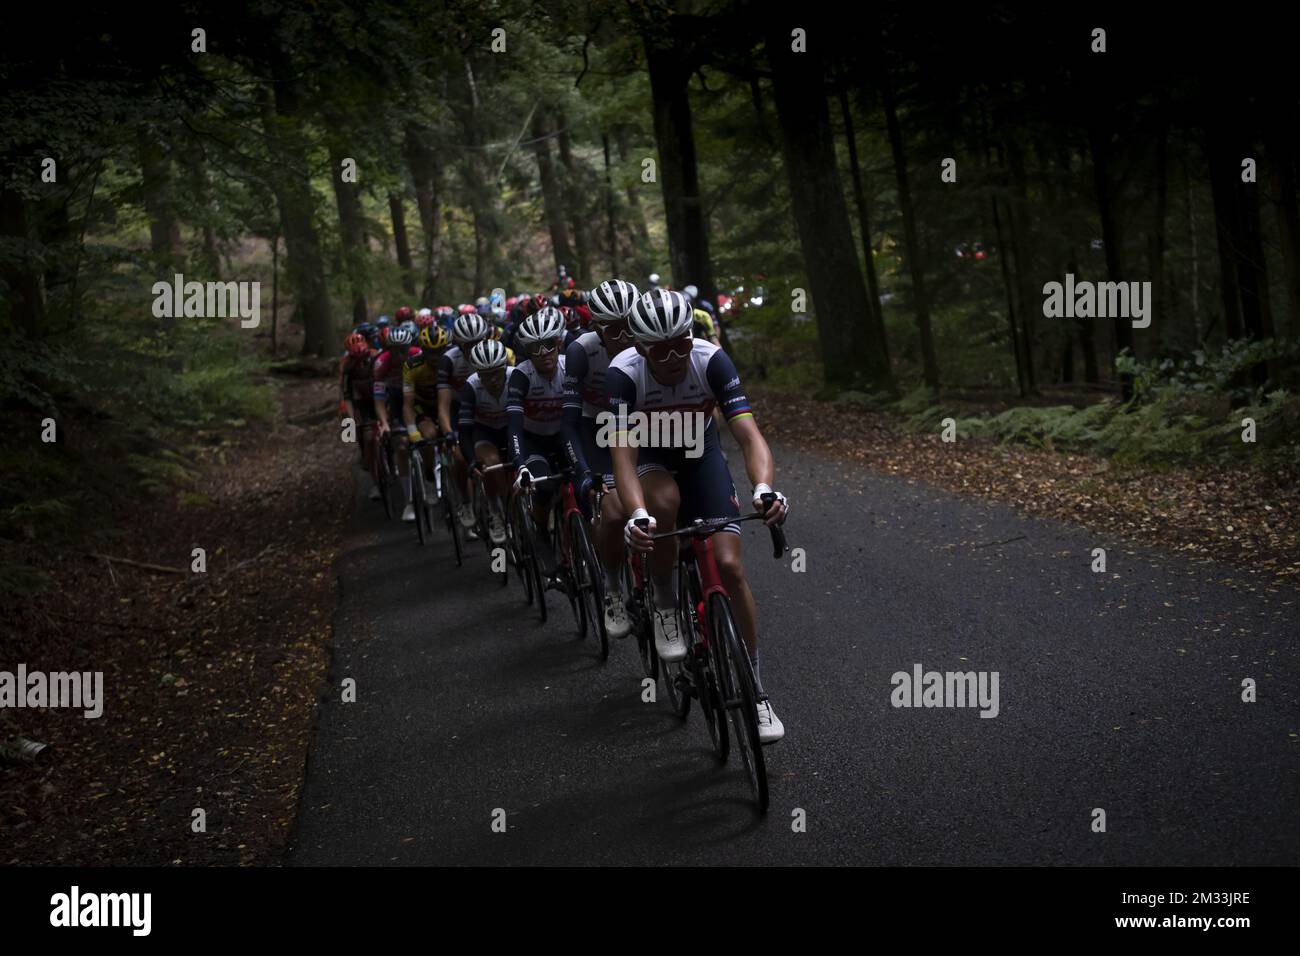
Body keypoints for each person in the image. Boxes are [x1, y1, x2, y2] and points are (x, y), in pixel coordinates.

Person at [609, 288, 789, 743]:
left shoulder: (711, 360)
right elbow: (623, 456)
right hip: (650, 455)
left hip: (698, 452)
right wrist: (635, 514)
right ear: (640, 347)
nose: (672, 356)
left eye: (681, 343)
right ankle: (667, 603)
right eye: (659, 348)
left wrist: (764, 488)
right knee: (663, 504)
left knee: (729, 566)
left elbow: (748, 435)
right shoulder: (623, 375)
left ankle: (758, 691)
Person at [562, 278, 640, 638]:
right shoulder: (581, 351)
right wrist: (583, 471)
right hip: (596, 430)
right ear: (596, 325)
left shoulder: (647, 341)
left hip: (643, 426)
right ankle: (611, 587)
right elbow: (570, 421)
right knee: (612, 511)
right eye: (612, 327)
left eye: (628, 324)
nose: (623, 334)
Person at [458, 338, 514, 545]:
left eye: (497, 373)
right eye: (486, 375)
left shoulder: (516, 377)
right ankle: (495, 512)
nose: (492, 380)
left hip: (511, 427)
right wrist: (472, 460)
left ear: (505, 368)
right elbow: (463, 430)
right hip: (484, 431)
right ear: (477, 373)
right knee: (491, 463)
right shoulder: (470, 386)